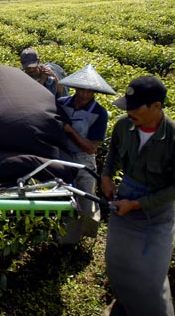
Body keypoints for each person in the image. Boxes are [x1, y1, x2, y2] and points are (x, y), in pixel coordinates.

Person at [100, 75, 175, 316]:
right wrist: (106, 176)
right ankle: (125, 305)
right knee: (118, 264)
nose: (129, 112)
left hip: (156, 211)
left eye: (135, 108)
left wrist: (137, 204)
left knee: (150, 277)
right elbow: (112, 153)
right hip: (125, 202)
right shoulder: (125, 125)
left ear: (156, 107)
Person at [57, 64, 115, 244]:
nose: (83, 94)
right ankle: (62, 238)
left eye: (88, 91)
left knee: (86, 198)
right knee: (61, 198)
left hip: (83, 160)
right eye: (81, 89)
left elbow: (91, 147)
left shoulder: (99, 113)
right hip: (60, 157)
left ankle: (84, 238)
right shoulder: (61, 103)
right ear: (75, 88)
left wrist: (70, 131)